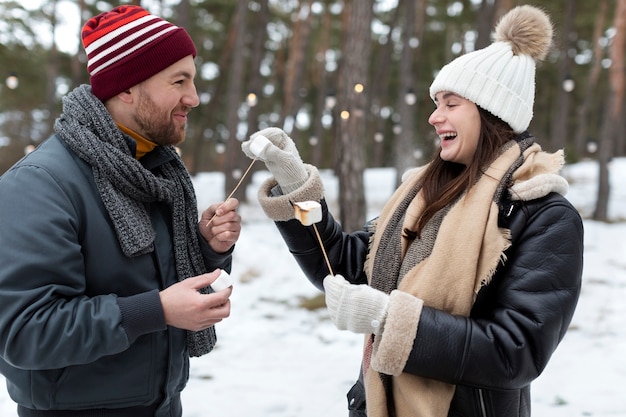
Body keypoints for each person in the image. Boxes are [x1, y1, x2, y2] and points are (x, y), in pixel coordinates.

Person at [241, 5, 583, 417]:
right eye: (436, 102)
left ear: (493, 113)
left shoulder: (541, 215)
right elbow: (348, 266)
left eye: (451, 103)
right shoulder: (421, 195)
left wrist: (391, 320)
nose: (434, 116)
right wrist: (296, 187)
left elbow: (516, 351)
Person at [0, 5, 241, 417]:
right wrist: (158, 311)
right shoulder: (40, 184)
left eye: (194, 80)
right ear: (127, 87)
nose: (194, 98)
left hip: (161, 405)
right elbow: (23, 332)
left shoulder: (155, 171)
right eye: (179, 81)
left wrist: (207, 248)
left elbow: (149, 276)